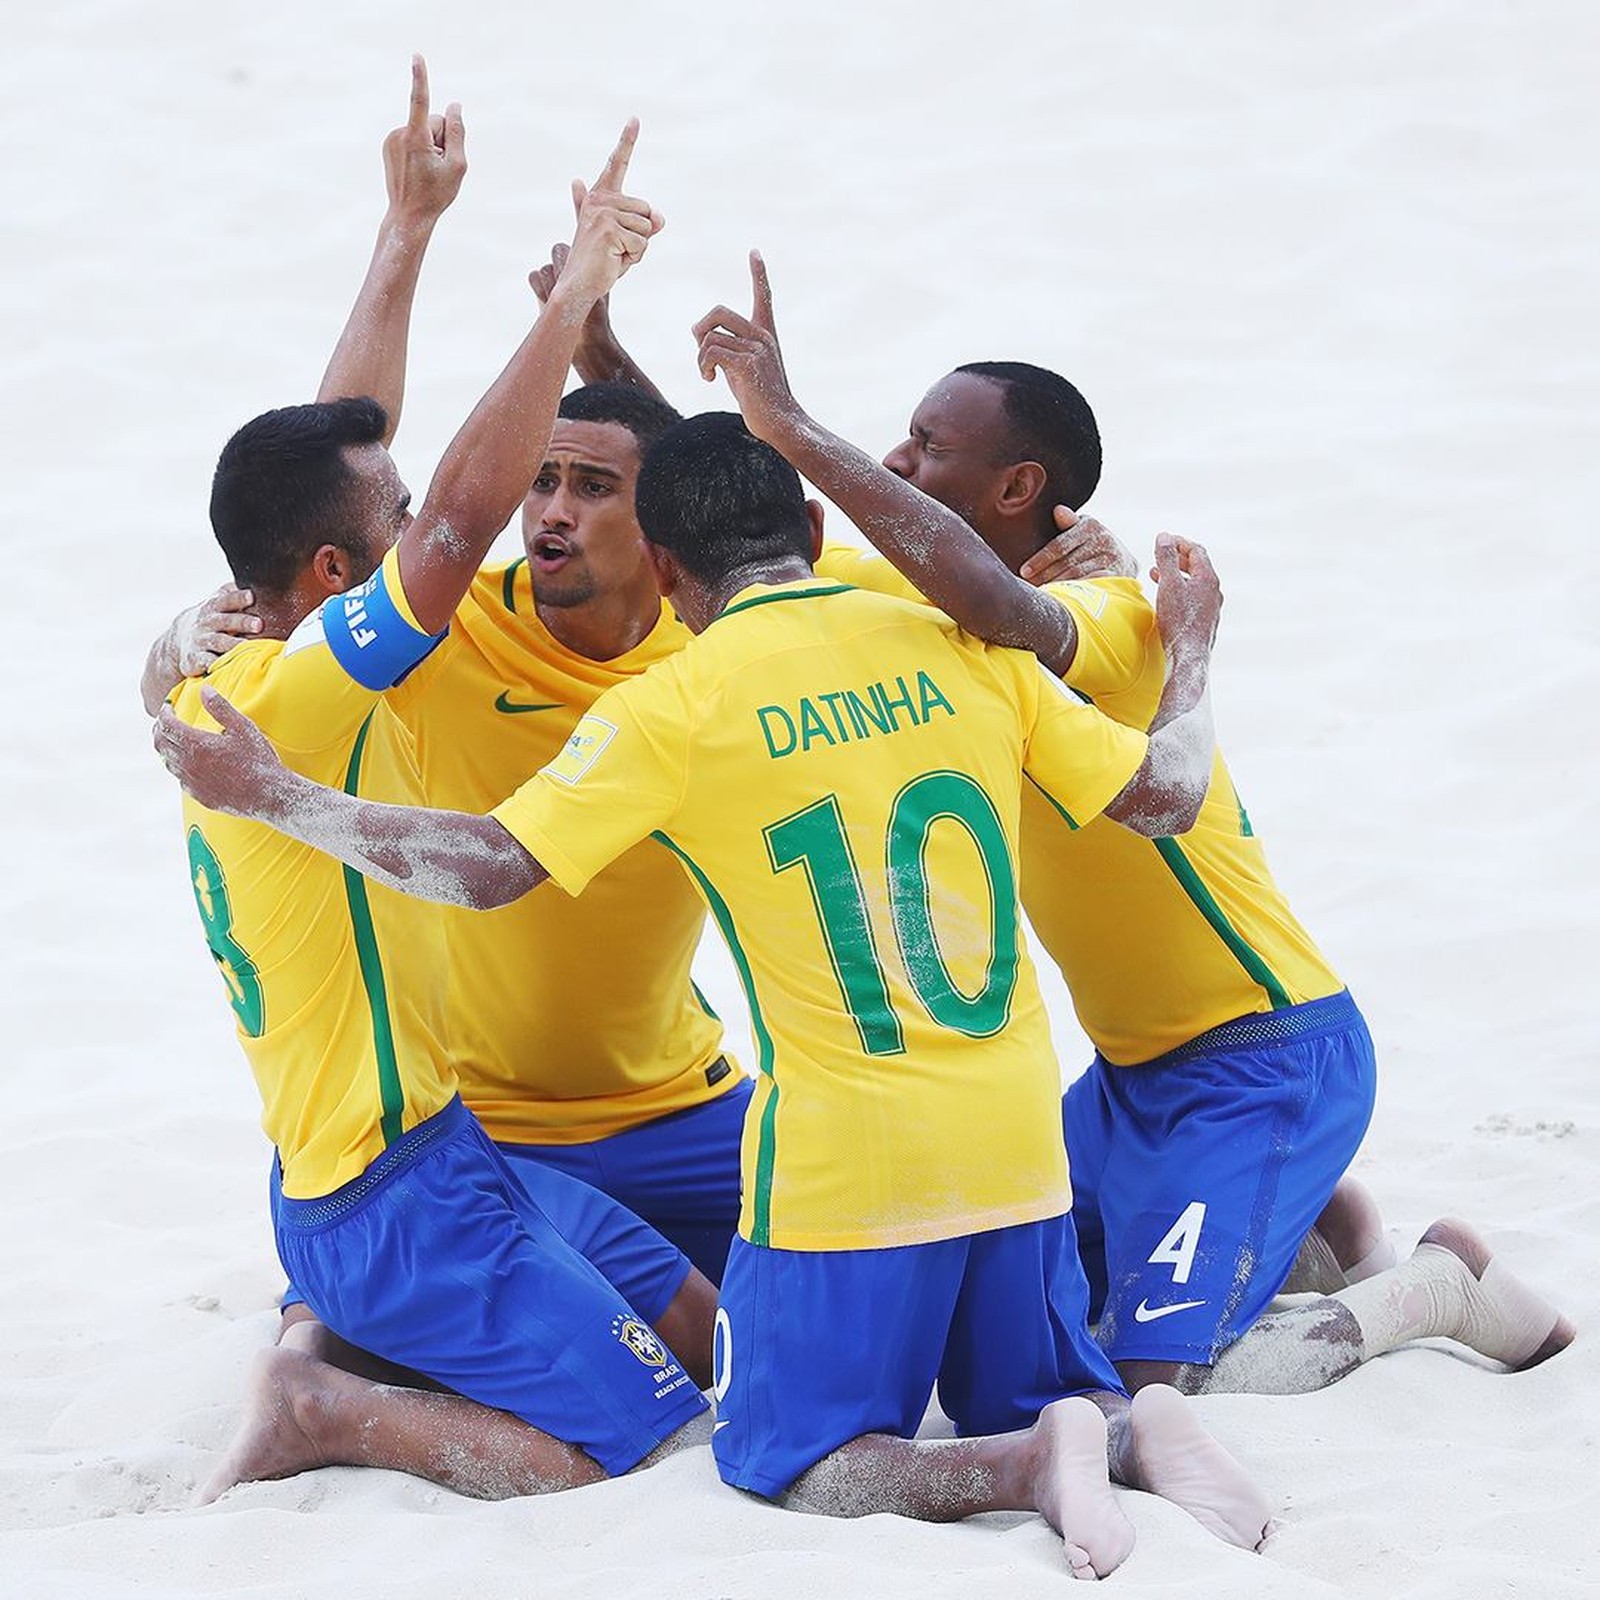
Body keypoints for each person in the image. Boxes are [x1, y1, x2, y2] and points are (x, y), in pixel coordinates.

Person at [154, 392, 1278, 1575]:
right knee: (1014, 1376)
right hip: (1016, 1147)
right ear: (804, 519)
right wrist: (1191, 644)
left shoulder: (676, 705)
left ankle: (1022, 1465)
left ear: (663, 561)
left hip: (844, 1169)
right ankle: (1118, 1421)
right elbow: (1167, 792)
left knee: (783, 1456)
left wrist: (276, 795)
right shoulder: (956, 644)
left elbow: (489, 868)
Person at [688, 253, 1575, 1396]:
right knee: (1043, 1329)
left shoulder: (1109, 610)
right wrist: (607, 354)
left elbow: (1003, 606)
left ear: (1017, 488)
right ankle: (1319, 1226)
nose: (898, 459)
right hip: (1126, 1082)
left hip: (1262, 1058)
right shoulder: (920, 602)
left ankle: (1439, 1284)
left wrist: (798, 425)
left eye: (927, 444)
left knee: (1156, 1381)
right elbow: (740, 534)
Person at [155, 74, 715, 1502]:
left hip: (449, 1144)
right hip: (388, 1193)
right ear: (337, 582)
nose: (445, 539)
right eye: (387, 535)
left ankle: (356, 1341)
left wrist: (406, 231)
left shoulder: (261, 668)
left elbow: (342, 456)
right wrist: (574, 289)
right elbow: (455, 514)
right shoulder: (310, 688)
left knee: (696, 1333)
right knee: (631, 1444)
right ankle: (325, 1413)